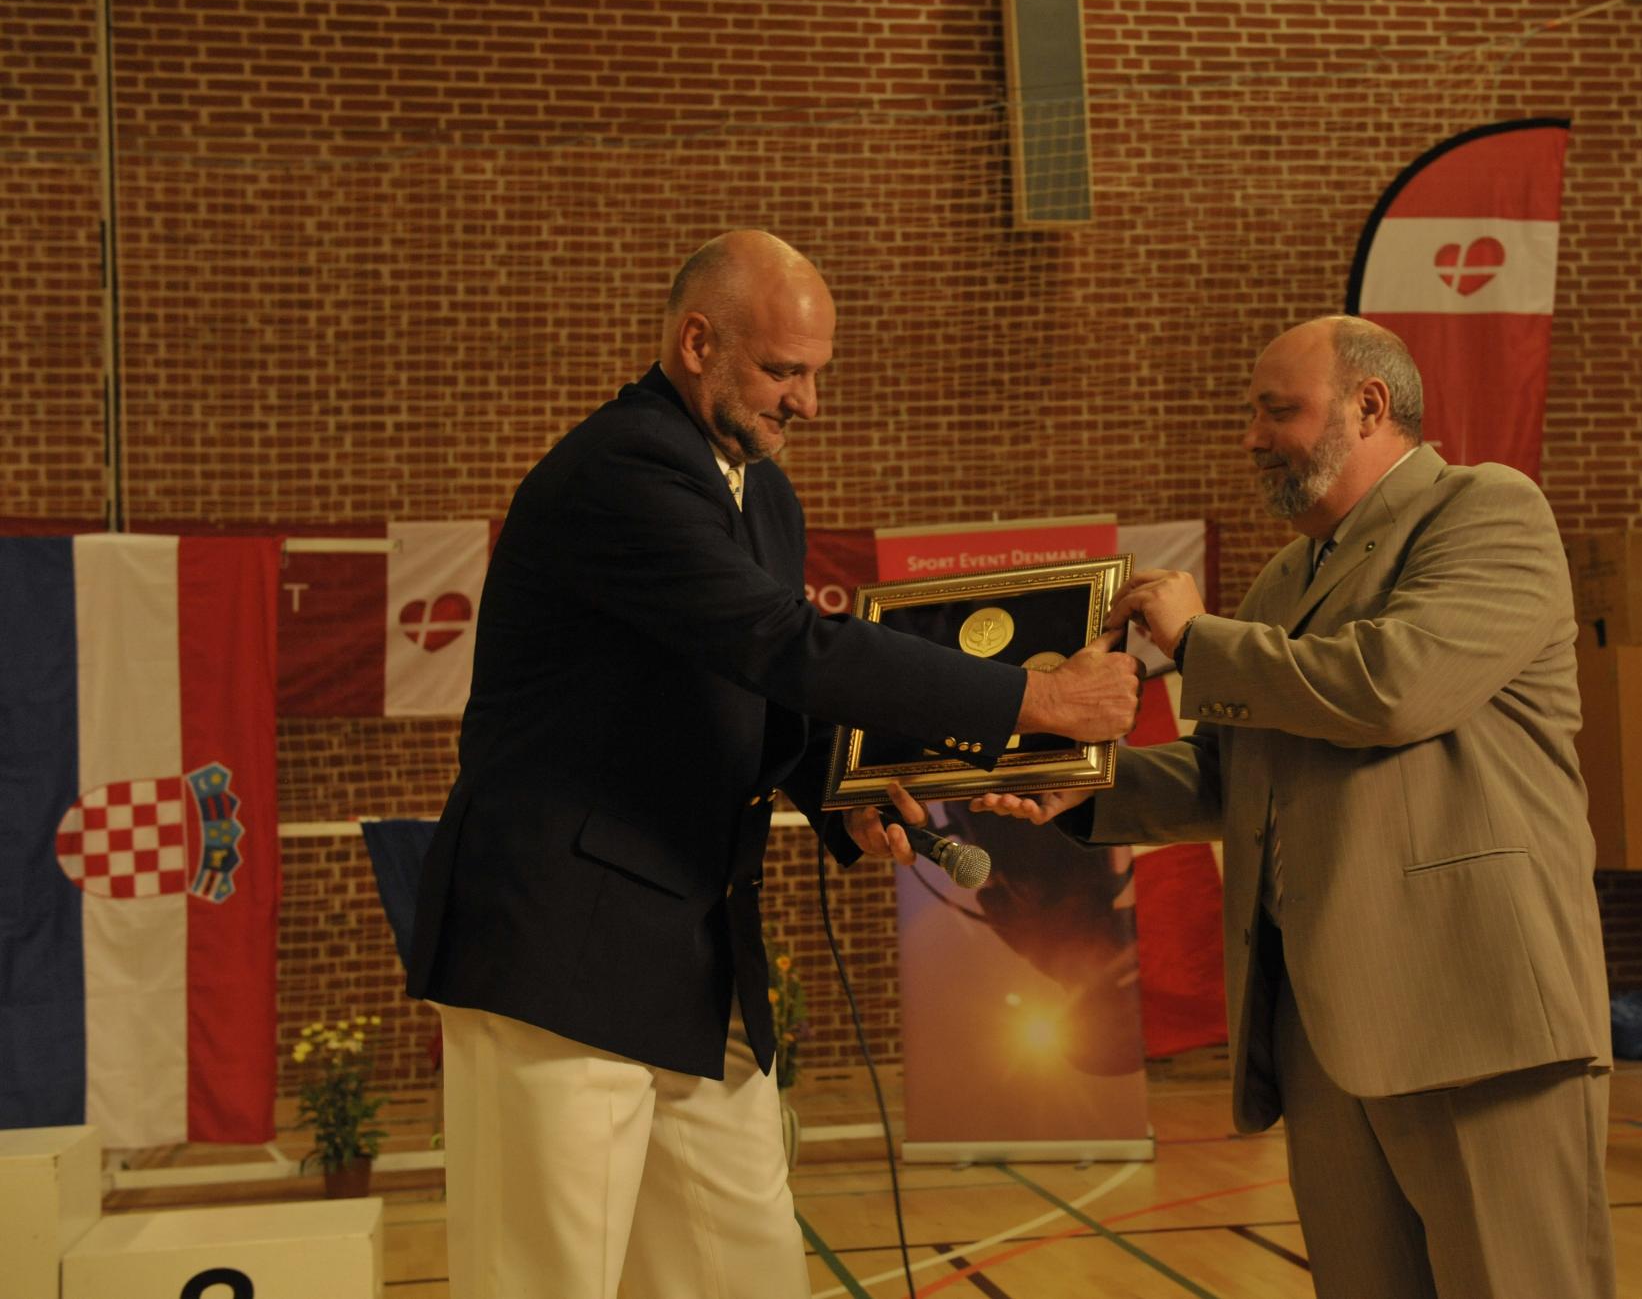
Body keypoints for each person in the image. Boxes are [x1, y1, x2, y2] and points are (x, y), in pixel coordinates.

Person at [404, 229, 1139, 1299]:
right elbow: (780, 643)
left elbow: (761, 694)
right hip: (560, 952)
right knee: (546, 1280)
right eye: (783, 370)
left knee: (745, 1272)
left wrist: (841, 800)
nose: (810, 402)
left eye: (817, 372)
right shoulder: (620, 467)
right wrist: (1035, 698)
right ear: (697, 343)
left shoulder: (765, 495)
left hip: (693, 956)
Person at [955, 316, 1615, 1298]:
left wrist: (1196, 640)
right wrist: (1083, 784)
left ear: (1369, 406)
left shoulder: (1485, 510)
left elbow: (1391, 687)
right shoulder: (1281, 581)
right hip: (1323, 1030)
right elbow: (1233, 780)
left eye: (1278, 412)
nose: (1252, 438)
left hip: (1475, 1015)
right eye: (1252, 414)